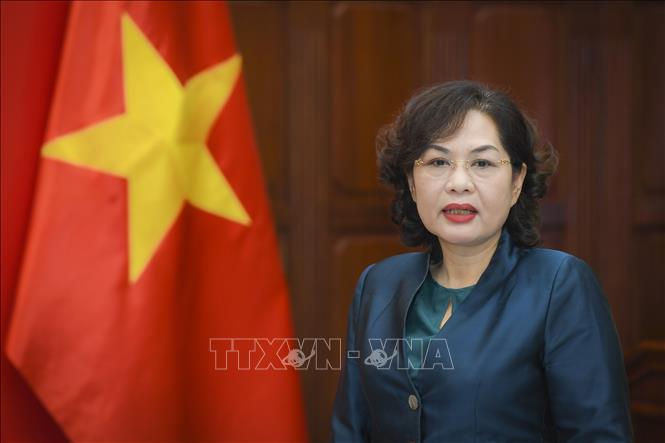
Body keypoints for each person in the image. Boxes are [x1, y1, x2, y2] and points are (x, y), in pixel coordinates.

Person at [331, 80, 634, 442]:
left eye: (482, 163)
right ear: (411, 182)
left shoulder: (559, 284)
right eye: (438, 161)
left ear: (517, 182)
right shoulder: (378, 284)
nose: (459, 183)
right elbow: (350, 429)